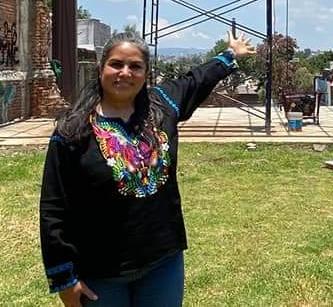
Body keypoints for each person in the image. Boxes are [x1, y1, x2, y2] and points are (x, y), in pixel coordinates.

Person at [40, 32, 256, 307]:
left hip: (162, 264)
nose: (125, 73)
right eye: (116, 64)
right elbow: (53, 207)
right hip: (101, 272)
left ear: (146, 73)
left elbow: (196, 80)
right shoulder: (73, 131)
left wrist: (230, 55)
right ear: (101, 67)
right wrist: (64, 280)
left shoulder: (162, 106)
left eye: (135, 66)